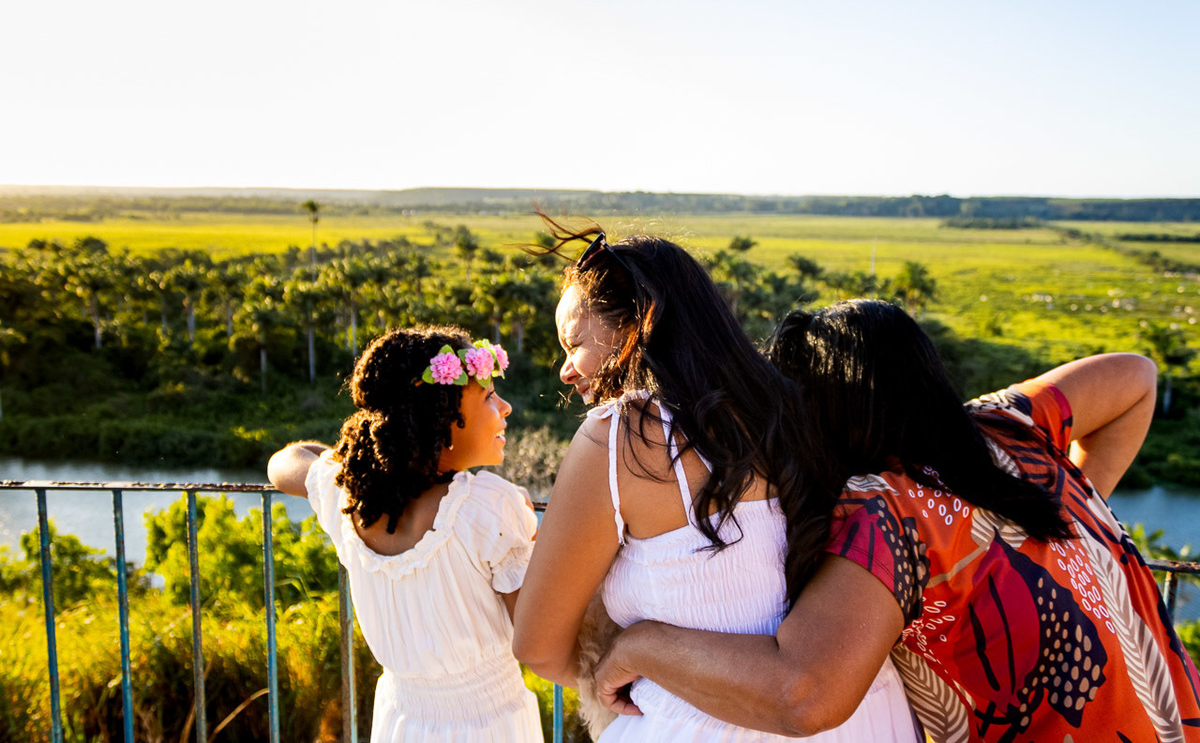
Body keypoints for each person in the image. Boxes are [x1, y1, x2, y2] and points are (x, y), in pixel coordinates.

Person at [593, 299, 1200, 741]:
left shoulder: (883, 507)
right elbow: (1135, 379)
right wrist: (1059, 518)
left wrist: (638, 645)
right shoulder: (1004, 426)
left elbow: (804, 697)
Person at [512, 232, 920, 741]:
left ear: (642, 316)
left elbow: (538, 645)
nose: (567, 370)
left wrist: (624, 679)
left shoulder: (618, 438)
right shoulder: (798, 407)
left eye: (573, 344)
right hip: (864, 714)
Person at [268, 326, 543, 743]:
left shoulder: (352, 499)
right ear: (439, 417)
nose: (505, 407)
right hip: (492, 724)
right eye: (488, 397)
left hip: (403, 721)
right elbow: (538, 637)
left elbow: (286, 462)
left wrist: (353, 466)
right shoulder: (487, 507)